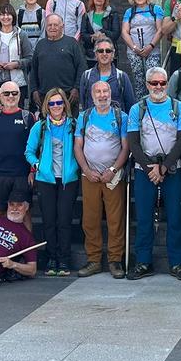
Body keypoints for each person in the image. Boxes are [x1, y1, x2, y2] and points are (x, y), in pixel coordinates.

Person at [126, 66, 181, 281]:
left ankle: (178, 263)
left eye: (162, 83)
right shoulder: (137, 109)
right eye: (154, 83)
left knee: (174, 218)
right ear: (146, 85)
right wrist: (150, 168)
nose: (159, 87)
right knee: (144, 218)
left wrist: (163, 167)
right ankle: (143, 262)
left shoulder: (179, 107)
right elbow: (133, 143)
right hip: (144, 169)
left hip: (172, 169)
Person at [73, 79, 130, 279]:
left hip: (112, 176)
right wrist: (87, 170)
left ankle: (115, 260)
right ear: (92, 95)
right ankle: (94, 260)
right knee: (90, 219)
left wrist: (114, 169)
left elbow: (126, 147)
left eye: (106, 91)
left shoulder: (121, 116)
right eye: (98, 92)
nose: (102, 95)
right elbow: (77, 146)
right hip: (90, 176)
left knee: (116, 220)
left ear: (111, 93)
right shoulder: (84, 116)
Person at [25, 87, 79, 276]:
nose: (56, 106)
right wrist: (38, 165)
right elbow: (29, 151)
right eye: (52, 103)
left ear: (65, 104)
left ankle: (63, 260)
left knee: (64, 220)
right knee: (49, 221)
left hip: (68, 179)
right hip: (46, 179)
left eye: (59, 102)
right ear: (47, 106)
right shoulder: (39, 127)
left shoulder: (74, 124)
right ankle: (51, 259)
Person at [0, 81, 36, 216]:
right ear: (0, 96)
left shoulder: (28, 117)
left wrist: (32, 171)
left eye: (14, 93)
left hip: (22, 175)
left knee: (24, 215)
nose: (10, 96)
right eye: (6, 93)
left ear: (19, 95)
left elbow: (35, 146)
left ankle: (26, 238)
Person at [29, 14, 86, 113]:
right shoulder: (40, 45)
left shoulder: (72, 43)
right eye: (49, 25)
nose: (52, 28)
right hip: (45, 97)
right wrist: (34, 90)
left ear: (62, 26)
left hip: (68, 97)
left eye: (55, 25)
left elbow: (81, 67)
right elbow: (33, 69)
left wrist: (76, 88)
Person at [122, 0, 165, 100]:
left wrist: (151, 46)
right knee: (139, 80)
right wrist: (134, 48)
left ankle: (155, 101)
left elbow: (160, 30)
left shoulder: (155, 9)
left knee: (153, 78)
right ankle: (141, 105)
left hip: (152, 50)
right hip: (134, 52)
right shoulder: (129, 12)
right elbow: (125, 32)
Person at [0, 2, 33, 102]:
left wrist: (16, 64)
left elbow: (30, 58)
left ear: (13, 17)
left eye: (8, 14)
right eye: (2, 14)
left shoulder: (21, 35)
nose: (5, 17)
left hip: (17, 81)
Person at [79, 36, 135, 113]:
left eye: (108, 51)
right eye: (101, 51)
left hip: (116, 122)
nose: (104, 54)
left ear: (113, 54)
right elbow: (83, 103)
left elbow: (130, 105)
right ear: (96, 54)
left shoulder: (122, 77)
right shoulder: (86, 76)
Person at [82, 0, 122, 66]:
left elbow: (116, 33)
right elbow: (83, 34)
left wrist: (103, 33)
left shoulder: (112, 14)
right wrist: (93, 37)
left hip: (108, 53)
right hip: (91, 55)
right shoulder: (86, 15)